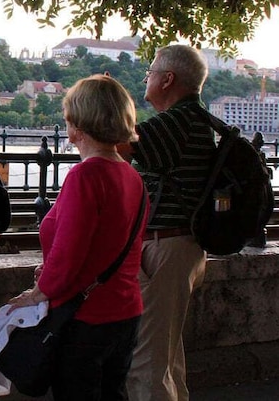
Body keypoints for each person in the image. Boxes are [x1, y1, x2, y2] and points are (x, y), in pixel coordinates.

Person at [7, 74, 148, 400]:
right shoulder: (132, 177)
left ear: (77, 124)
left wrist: (39, 292)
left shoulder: (85, 176)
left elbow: (69, 255)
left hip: (87, 318)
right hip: (126, 311)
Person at [120, 45, 215, 401]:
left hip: (165, 248)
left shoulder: (176, 122)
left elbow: (114, 147)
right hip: (179, 246)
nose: (147, 77)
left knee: (146, 365)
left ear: (168, 79)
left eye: (150, 71)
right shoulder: (193, 119)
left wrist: (106, 103)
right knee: (166, 360)